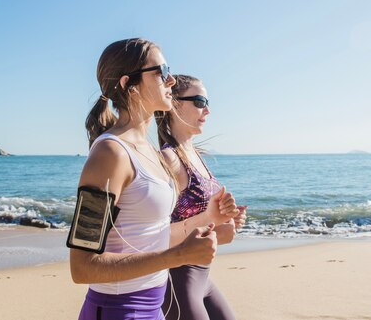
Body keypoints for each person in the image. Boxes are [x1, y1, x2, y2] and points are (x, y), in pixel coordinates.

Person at [70, 38, 237, 320]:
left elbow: (153, 235)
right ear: (129, 84)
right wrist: (179, 257)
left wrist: (208, 220)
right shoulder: (110, 154)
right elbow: (83, 266)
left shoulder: (151, 153)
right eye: (161, 71)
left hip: (153, 308)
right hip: (117, 311)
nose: (170, 79)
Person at [156, 74, 247, 320]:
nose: (206, 110)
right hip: (177, 280)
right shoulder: (169, 158)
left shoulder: (196, 154)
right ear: (174, 104)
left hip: (202, 277)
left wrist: (227, 220)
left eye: (207, 102)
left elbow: (201, 222)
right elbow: (156, 233)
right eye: (198, 101)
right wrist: (212, 220)